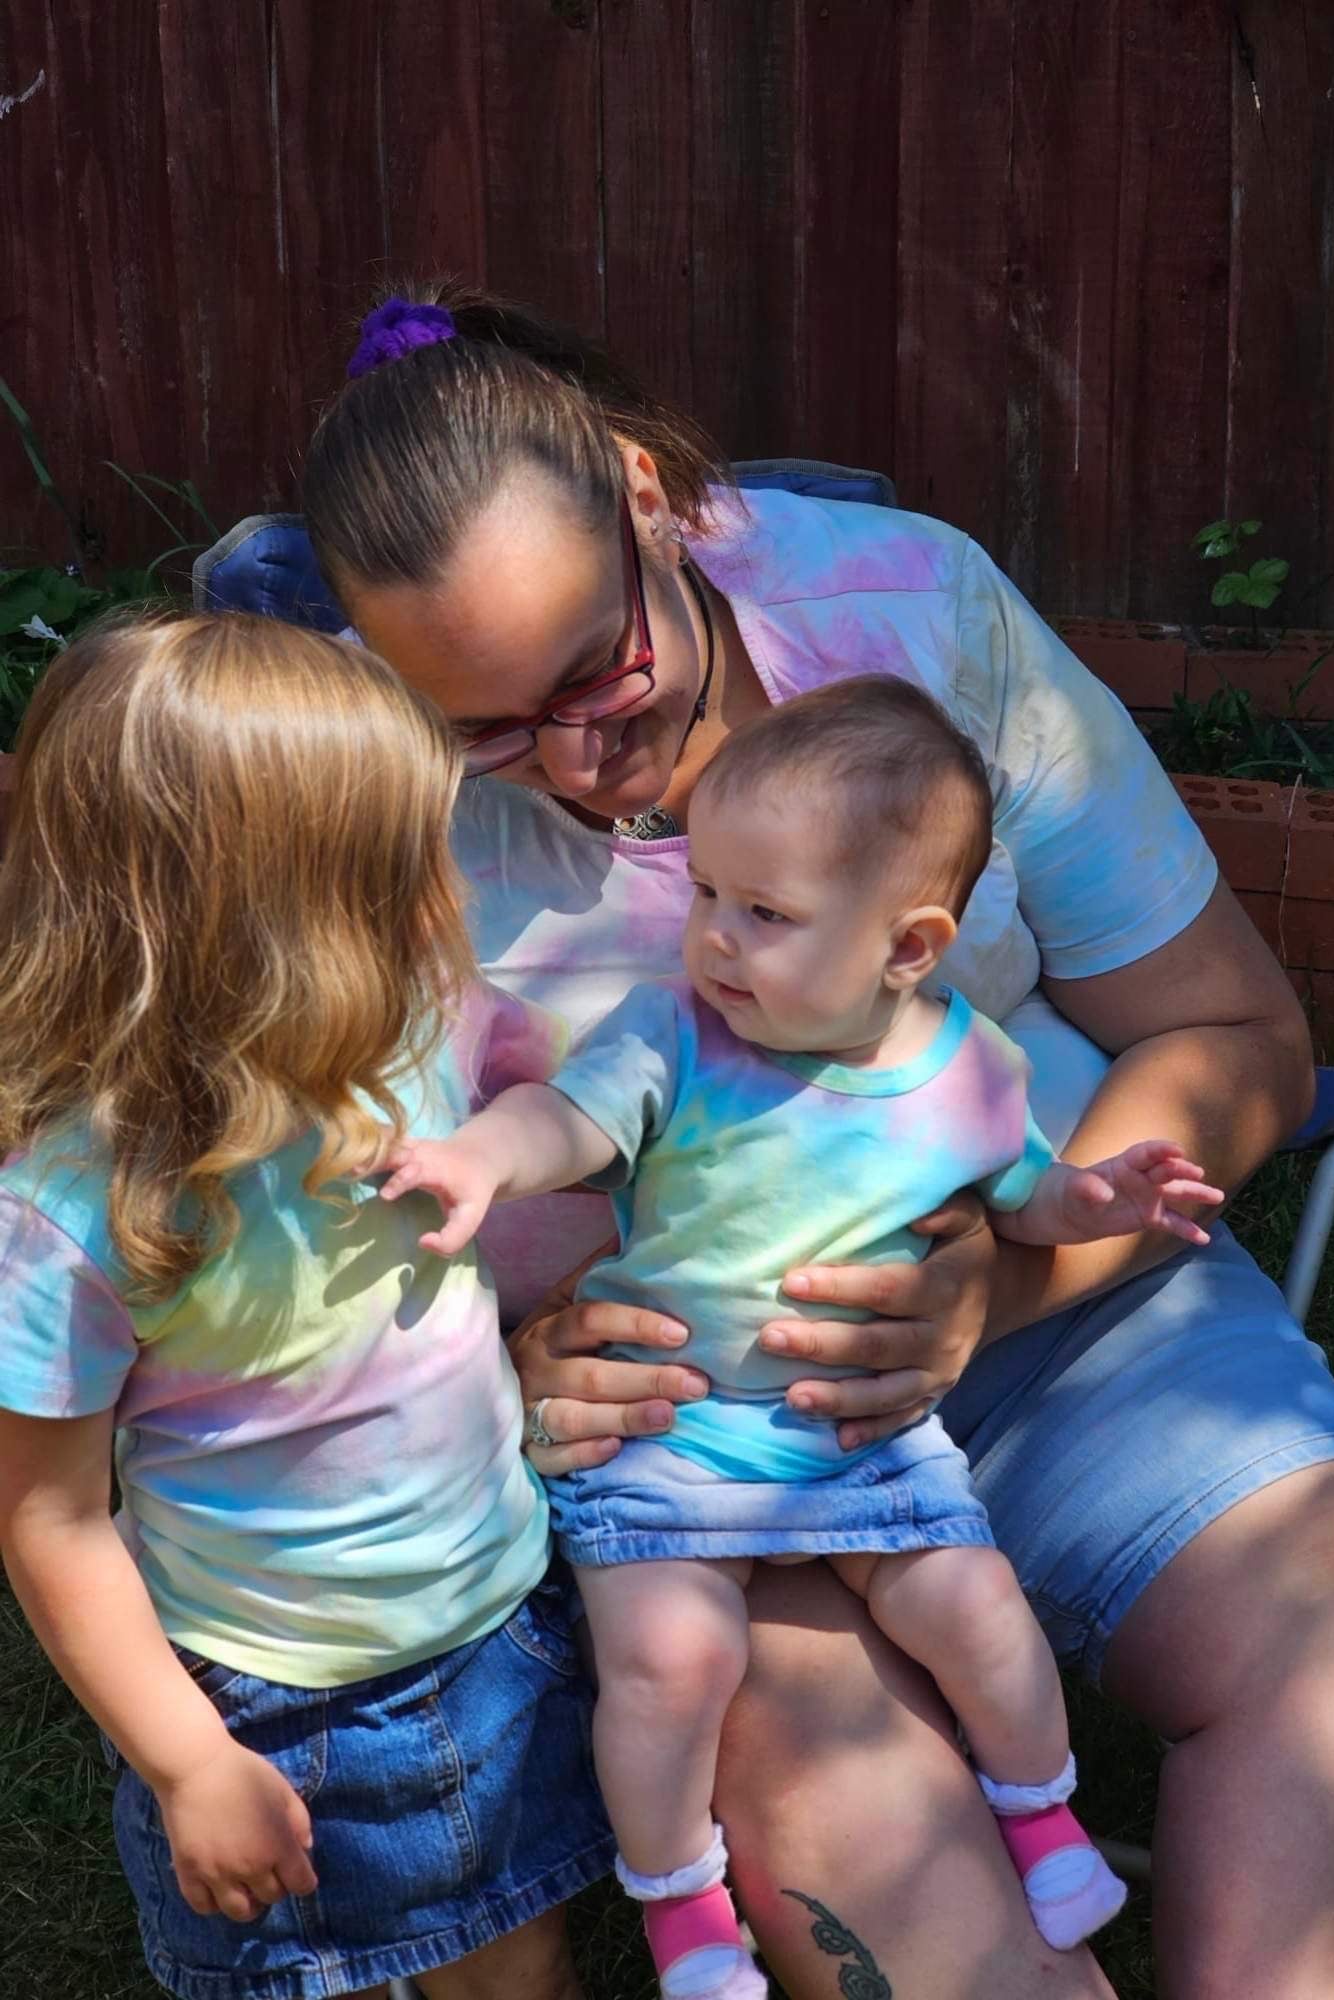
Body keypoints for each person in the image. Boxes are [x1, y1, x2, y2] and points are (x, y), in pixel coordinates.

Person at [301, 285, 1334, 2000]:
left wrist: (1006, 1276)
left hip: (1065, 1303)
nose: (582, 769)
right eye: (485, 727)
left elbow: (1234, 1035)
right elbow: (275, 1252)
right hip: (704, 1440)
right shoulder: (342, 792)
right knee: (826, 1793)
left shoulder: (910, 613)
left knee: (1329, 1569)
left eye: (597, 673)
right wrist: (516, 1363)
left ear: (648, 495)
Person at [385, 680, 1228, 1994]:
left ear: (911, 945)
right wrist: (482, 1156)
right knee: (673, 1664)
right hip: (671, 1438)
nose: (715, 941)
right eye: (708, 895)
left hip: (860, 1444)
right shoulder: (681, 1033)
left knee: (978, 1613)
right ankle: (681, 1909)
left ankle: (1043, 1811)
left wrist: (1094, 1199)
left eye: (763, 915)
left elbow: (1028, 1192)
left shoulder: (972, 1068)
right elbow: (573, 1119)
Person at [0, 613, 613, 2000]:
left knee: (516, 1950)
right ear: (276, 924)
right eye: (408, 866)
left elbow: (561, 1090)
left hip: (498, 1621)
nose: (448, 897)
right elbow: (50, 1515)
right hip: (262, 1700)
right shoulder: (77, 1213)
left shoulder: (422, 1027)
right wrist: (187, 1762)